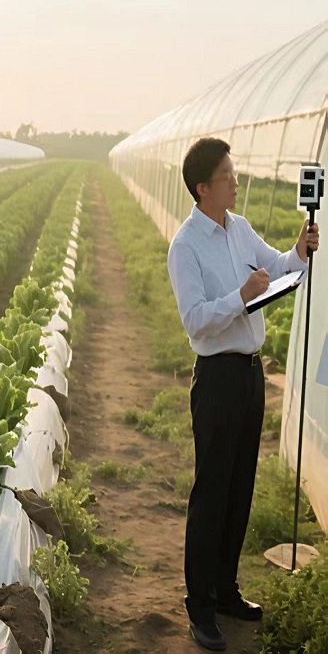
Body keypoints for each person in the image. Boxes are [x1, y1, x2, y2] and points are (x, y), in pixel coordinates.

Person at [167, 137, 319, 651]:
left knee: (239, 488)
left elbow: (276, 267)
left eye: (234, 173)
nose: (236, 181)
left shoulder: (240, 228)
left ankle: (227, 590)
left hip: (251, 374)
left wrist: (298, 251)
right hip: (217, 380)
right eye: (227, 176)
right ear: (203, 188)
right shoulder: (186, 245)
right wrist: (240, 297)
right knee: (211, 493)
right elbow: (195, 320)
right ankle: (200, 606)